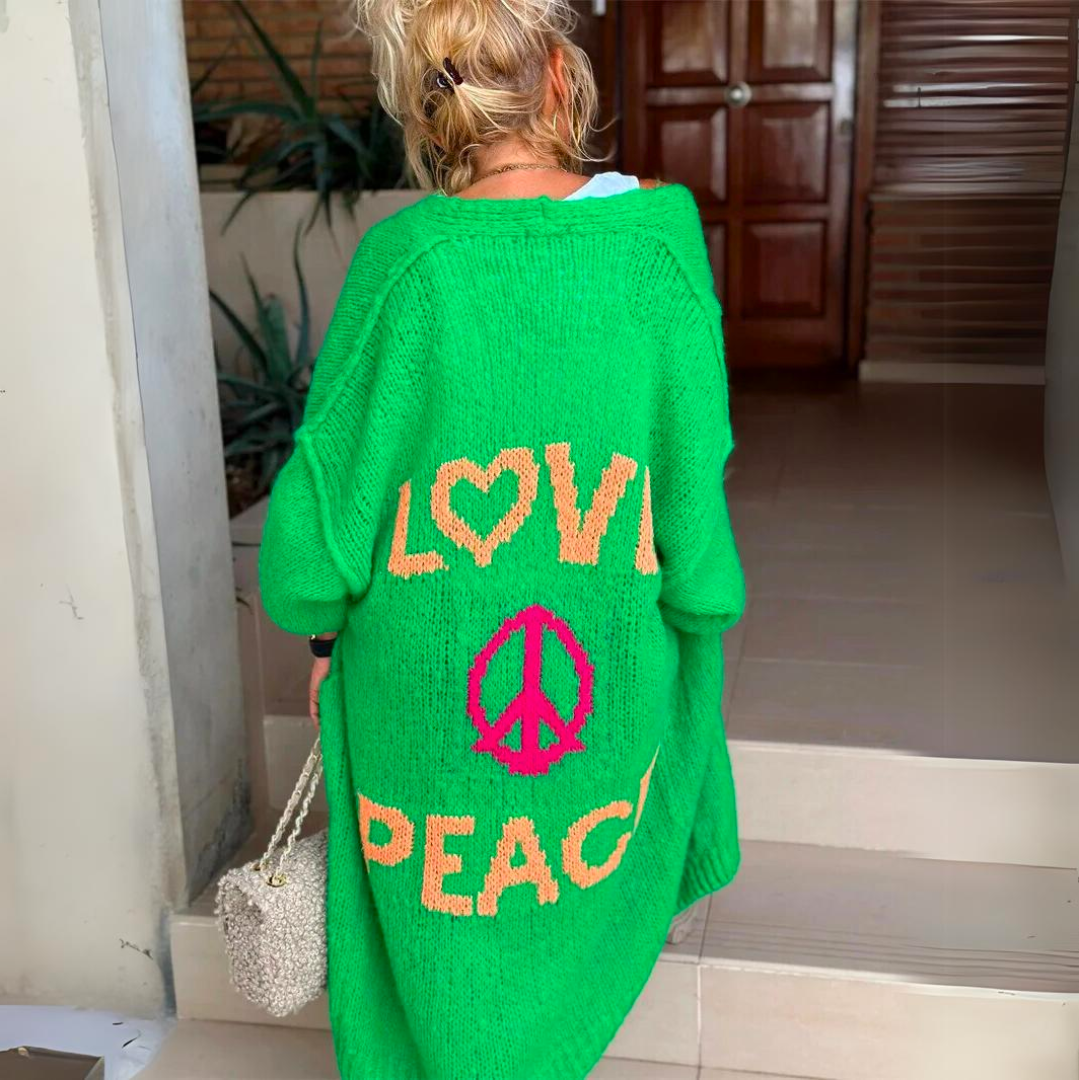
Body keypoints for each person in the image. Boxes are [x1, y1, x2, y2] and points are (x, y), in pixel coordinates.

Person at [256, 0, 746, 1076]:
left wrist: (322, 636)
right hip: (603, 667)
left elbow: (315, 528)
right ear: (562, 81)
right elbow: (693, 501)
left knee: (443, 926)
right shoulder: (659, 252)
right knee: (579, 876)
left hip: (421, 694)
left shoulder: (405, 265)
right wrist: (702, 608)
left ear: (429, 114)